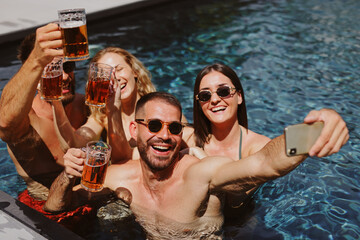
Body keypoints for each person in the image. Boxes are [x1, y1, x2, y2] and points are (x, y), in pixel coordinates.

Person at [44, 92, 348, 239]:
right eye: (153, 125)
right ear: (134, 130)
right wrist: (67, 175)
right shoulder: (115, 177)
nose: (164, 135)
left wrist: (314, 132)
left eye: (174, 128)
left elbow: (265, 163)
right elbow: (56, 207)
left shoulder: (199, 175)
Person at [191, 63, 349, 213]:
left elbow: (268, 161)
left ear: (239, 96)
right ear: (199, 103)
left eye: (223, 91)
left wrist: (315, 131)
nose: (214, 99)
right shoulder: (186, 137)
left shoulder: (256, 146)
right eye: (205, 95)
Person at [52, 46, 193, 162]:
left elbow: (188, 139)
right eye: (105, 75)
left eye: (119, 70)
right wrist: (55, 102)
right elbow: (74, 144)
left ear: (135, 72)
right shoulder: (101, 118)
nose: (114, 79)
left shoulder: (162, 107)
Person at [0, 23, 89, 201]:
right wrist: (35, 60)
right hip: (47, 212)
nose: (64, 77)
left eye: (68, 67)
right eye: (53, 69)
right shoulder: (28, 120)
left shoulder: (85, 104)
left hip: (90, 197)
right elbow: (5, 124)